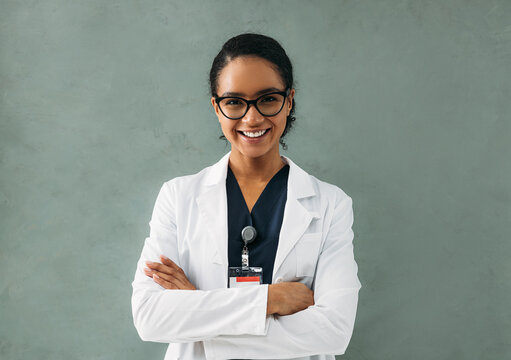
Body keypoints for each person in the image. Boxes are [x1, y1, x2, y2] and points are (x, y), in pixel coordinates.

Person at [131, 33, 361, 360]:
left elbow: (334, 331)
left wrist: (197, 308)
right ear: (217, 106)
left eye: (267, 99)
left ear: (289, 100)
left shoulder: (330, 205)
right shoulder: (178, 197)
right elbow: (150, 317)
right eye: (235, 102)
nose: (252, 118)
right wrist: (271, 300)